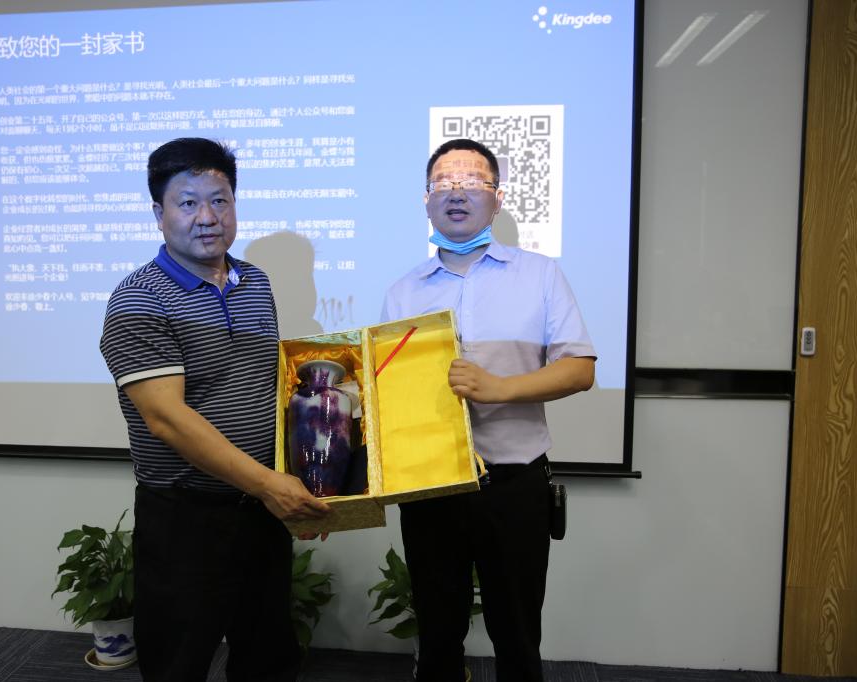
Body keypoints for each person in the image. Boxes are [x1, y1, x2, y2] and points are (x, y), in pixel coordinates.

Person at [100, 137, 330, 682]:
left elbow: (265, 392)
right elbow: (168, 420)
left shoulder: (255, 283)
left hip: (260, 510)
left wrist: (300, 484)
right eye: (188, 203)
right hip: (186, 518)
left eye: (219, 200)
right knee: (178, 664)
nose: (207, 218)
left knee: (268, 658)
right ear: (158, 213)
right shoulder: (138, 300)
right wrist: (271, 486)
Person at [381, 138, 596, 682]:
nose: (456, 193)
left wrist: (498, 388)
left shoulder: (540, 275)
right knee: (437, 634)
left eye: (472, 182)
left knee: (517, 635)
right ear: (426, 201)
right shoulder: (403, 292)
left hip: (514, 484)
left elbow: (579, 369)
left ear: (497, 199)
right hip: (431, 489)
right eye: (443, 183)